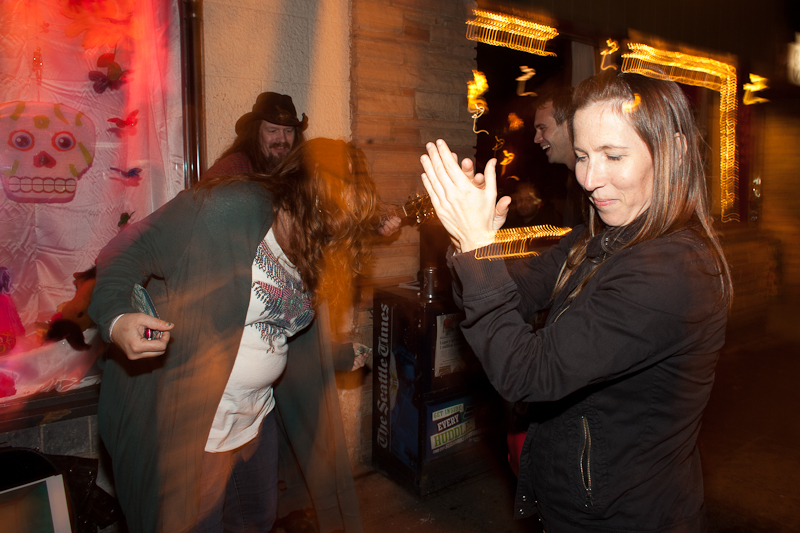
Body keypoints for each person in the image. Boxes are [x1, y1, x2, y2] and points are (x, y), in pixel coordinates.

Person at [419, 70, 732, 532]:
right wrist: (471, 239)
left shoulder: (672, 269)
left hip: (626, 518)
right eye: (584, 155)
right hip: (576, 501)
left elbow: (528, 373)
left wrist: (476, 246)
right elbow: (517, 289)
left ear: (675, 152)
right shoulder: (600, 236)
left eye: (613, 155)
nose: (589, 177)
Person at [88, 139, 379, 532]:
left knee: (256, 521)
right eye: (331, 216)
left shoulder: (314, 249)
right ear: (301, 195)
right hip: (198, 426)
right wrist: (118, 317)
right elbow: (124, 250)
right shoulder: (229, 207)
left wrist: (338, 353)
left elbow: (278, 327)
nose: (333, 238)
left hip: (257, 418)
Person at [206, 91, 308, 177]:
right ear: (255, 134)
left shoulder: (301, 172)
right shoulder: (232, 168)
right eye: (272, 131)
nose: (282, 139)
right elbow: (196, 198)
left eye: (288, 131)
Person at [533, 87, 584, 227]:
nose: (536, 139)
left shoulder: (595, 181)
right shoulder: (574, 180)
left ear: (570, 124)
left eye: (542, 128)